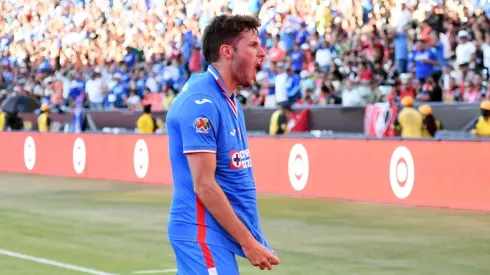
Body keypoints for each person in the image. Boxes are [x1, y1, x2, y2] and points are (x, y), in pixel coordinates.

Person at [166, 14, 280, 275]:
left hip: (213, 235)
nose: (262, 53)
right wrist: (247, 241)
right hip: (201, 232)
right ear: (227, 51)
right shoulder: (200, 103)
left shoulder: (228, 101)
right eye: (252, 45)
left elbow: (232, 179)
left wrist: (253, 234)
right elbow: (204, 184)